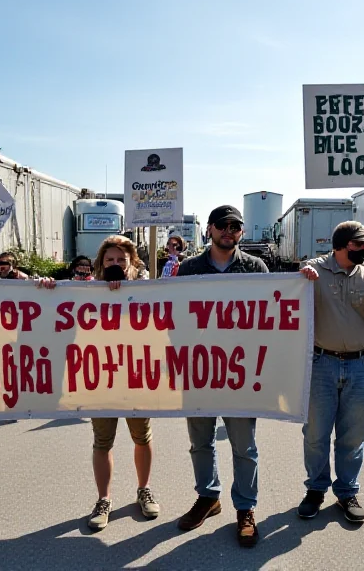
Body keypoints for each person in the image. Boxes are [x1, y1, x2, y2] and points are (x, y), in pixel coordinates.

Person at [37, 235, 159, 530]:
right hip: (100, 380)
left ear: (132, 262)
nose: (116, 264)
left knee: (142, 437)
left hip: (135, 378)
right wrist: (48, 290)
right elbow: (60, 317)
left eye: (121, 260)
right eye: (110, 260)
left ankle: (144, 490)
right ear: (101, 263)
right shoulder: (83, 291)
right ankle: (103, 499)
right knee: (102, 442)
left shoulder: (147, 290)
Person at [176, 205, 269, 547]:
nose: (229, 231)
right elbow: (174, 315)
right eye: (222, 225)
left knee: (244, 445)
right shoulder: (189, 268)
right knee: (200, 441)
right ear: (210, 230)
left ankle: (245, 508)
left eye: (236, 227)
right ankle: (208, 497)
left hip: (240, 371)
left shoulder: (255, 267)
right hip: (199, 370)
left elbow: (269, 313)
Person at [298, 221, 364, 524]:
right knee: (315, 434)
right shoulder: (314, 269)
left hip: (361, 365)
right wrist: (302, 279)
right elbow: (294, 289)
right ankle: (315, 489)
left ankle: (346, 491)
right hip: (321, 364)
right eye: (358, 245)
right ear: (340, 245)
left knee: (353, 436)